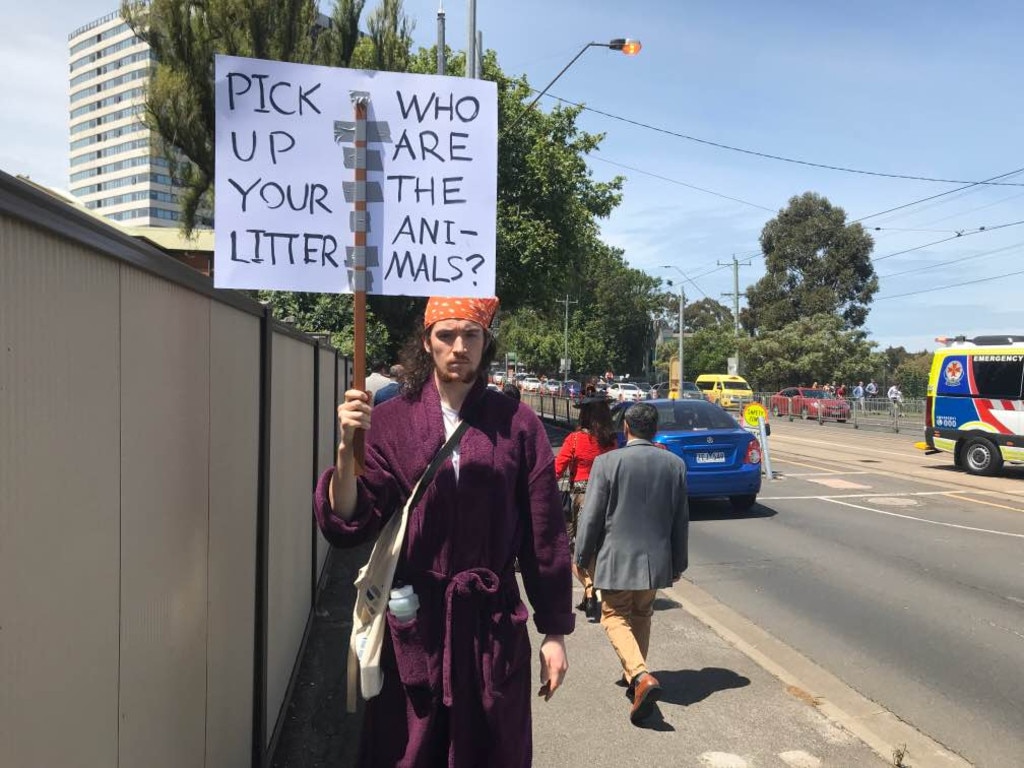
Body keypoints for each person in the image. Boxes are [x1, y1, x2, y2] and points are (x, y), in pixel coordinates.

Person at [314, 296, 574, 767]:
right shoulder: (391, 422)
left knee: (492, 752)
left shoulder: (518, 425)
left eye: (470, 335)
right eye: (446, 335)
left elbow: (546, 535)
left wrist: (554, 631)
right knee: (407, 752)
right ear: (427, 342)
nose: (459, 346)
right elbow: (352, 523)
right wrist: (345, 454)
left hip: (491, 630)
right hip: (414, 625)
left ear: (486, 342)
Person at [575, 403, 689, 725]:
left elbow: (592, 516)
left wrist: (582, 556)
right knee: (642, 613)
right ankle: (635, 679)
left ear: (626, 427)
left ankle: (639, 675)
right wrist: (678, 562)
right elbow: (681, 521)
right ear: (654, 430)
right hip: (655, 562)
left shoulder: (607, 463)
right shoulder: (675, 465)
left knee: (613, 616)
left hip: (616, 559)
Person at [553, 394, 617, 622]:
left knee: (576, 549)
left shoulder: (574, 440)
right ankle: (594, 593)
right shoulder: (611, 441)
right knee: (598, 548)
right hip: (607, 497)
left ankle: (589, 589)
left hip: (581, 498)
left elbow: (556, 470)